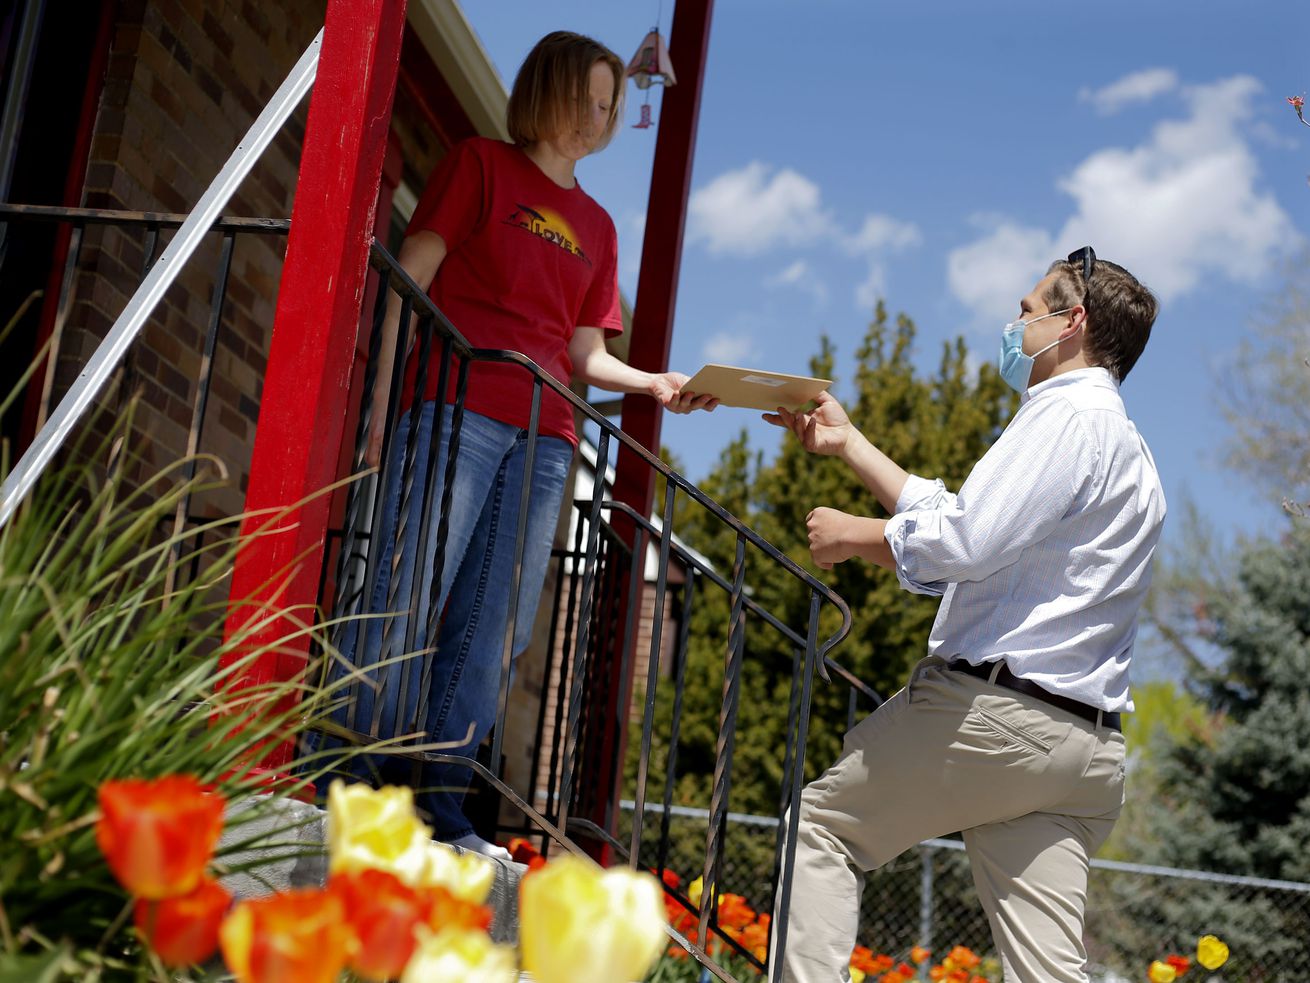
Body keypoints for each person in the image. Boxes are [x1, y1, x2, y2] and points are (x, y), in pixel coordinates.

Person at [340, 31, 715, 860]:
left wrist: (654, 382)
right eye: (588, 100)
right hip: (456, 408)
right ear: (547, 91)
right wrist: (380, 402)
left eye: (610, 107)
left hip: (547, 440)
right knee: (407, 594)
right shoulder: (479, 165)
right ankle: (347, 774)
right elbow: (412, 272)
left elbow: (584, 353)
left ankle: (437, 804)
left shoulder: (599, 227)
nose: (598, 118)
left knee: (497, 628)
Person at [764, 248, 1165, 982]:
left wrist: (857, 535)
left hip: (997, 721)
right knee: (1049, 971)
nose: (1014, 322)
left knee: (821, 828)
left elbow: (966, 541)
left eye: (1027, 309)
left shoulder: (1063, 415)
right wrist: (849, 444)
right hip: (1084, 751)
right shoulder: (1132, 452)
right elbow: (967, 518)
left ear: (1071, 322)